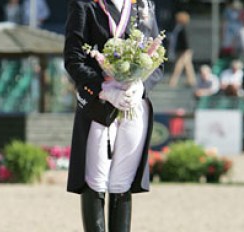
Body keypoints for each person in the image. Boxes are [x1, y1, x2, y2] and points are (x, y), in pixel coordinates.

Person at [63, 0, 164, 232]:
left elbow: (157, 60)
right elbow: (73, 58)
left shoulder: (144, 4)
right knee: (95, 178)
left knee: (123, 181)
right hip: (98, 104)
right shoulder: (85, 4)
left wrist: (142, 86)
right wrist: (103, 89)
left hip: (133, 104)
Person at [168, 11, 196, 88]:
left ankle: (173, 81)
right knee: (188, 66)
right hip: (182, 50)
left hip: (184, 50)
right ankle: (192, 81)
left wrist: (185, 50)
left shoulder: (183, 29)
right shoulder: (179, 28)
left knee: (179, 66)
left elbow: (186, 40)